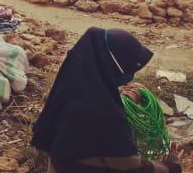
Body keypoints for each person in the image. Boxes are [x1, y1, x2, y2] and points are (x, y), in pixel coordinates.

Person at [31, 27, 183, 172]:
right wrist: (171, 167)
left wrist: (118, 98)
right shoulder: (105, 113)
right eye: (128, 69)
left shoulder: (70, 86)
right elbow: (130, 167)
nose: (129, 77)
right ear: (113, 66)